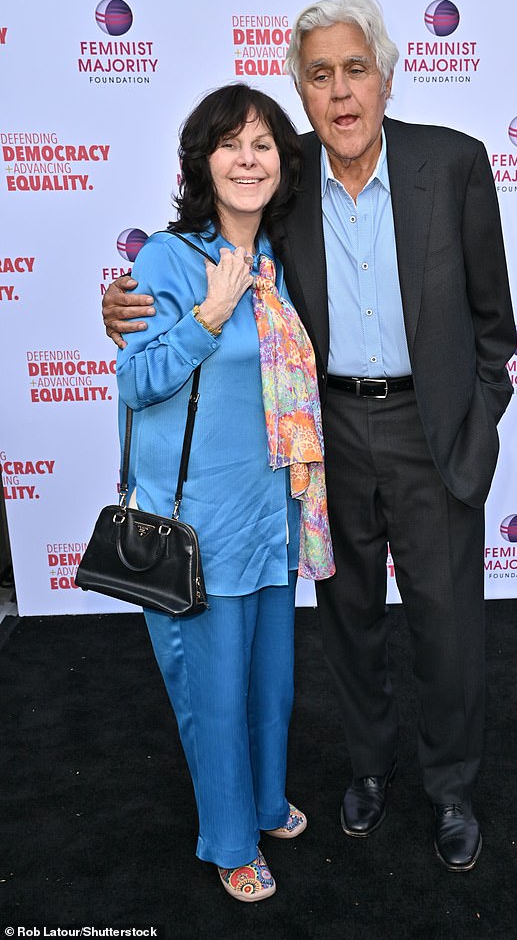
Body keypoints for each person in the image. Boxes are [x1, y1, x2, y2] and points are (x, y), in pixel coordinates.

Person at [103, 0, 516, 873]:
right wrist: (126, 308)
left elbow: (493, 322)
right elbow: (203, 228)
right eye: (320, 75)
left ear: (385, 75)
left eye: (355, 70)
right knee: (349, 620)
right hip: (324, 432)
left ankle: (449, 787)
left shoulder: (454, 164)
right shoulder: (283, 176)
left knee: (447, 626)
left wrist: (477, 424)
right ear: (301, 88)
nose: (341, 93)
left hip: (429, 431)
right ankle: (369, 770)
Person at [114, 83, 334, 902]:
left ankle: (267, 802)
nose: (248, 159)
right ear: (202, 162)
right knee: (212, 691)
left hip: (271, 515)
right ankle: (230, 839)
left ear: (283, 164)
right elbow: (136, 380)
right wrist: (208, 314)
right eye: (230, 144)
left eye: (264, 145)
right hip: (197, 526)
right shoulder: (168, 260)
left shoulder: (278, 258)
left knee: (270, 682)